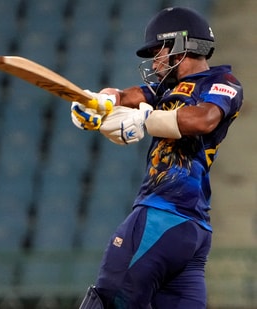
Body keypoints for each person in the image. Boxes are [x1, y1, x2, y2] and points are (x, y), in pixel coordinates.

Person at [70, 7, 243, 309]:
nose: (155, 60)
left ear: (180, 45)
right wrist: (102, 101)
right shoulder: (167, 89)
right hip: (192, 230)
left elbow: (204, 120)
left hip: (162, 215)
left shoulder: (222, 81)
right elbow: (129, 95)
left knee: (109, 300)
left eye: (158, 50)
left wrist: (147, 121)